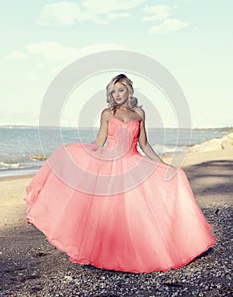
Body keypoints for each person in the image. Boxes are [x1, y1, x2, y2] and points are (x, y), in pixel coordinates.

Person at [25, 73, 216, 273]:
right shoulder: (107, 114)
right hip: (110, 165)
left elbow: (144, 144)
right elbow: (99, 143)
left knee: (137, 214)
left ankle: (145, 253)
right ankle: (104, 254)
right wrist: (74, 154)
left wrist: (165, 166)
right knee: (108, 214)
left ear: (129, 91)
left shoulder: (139, 114)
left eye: (120, 89)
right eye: (113, 91)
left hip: (134, 164)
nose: (116, 94)